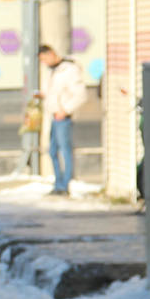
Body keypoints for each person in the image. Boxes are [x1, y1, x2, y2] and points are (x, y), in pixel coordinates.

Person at [39, 43, 88, 196]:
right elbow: (54, 92)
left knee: (65, 151)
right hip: (53, 115)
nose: (44, 63)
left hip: (63, 117)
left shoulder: (69, 70)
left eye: (44, 59)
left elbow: (81, 95)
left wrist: (65, 110)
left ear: (51, 53)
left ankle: (65, 184)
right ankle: (58, 184)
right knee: (52, 151)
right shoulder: (53, 71)